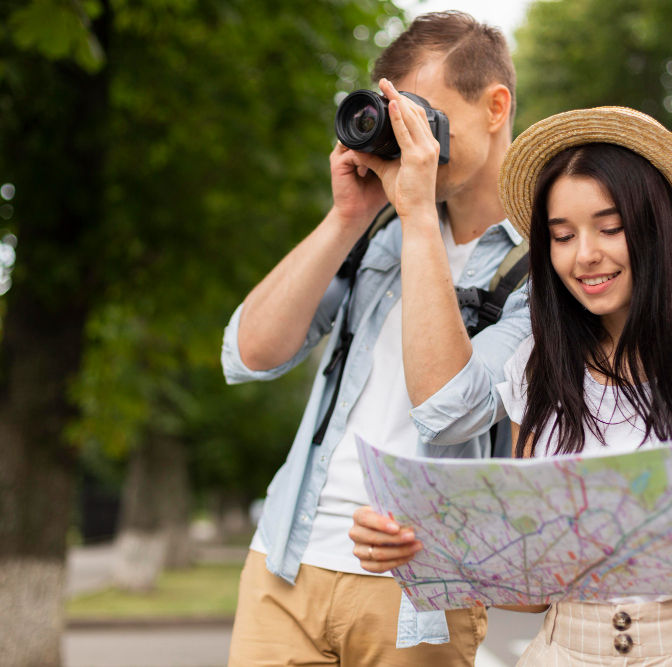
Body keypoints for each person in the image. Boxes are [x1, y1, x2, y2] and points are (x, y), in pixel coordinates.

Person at [349, 107, 672, 666]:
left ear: (656, 227)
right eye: (562, 236)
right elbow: (535, 589)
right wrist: (420, 546)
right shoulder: (534, 366)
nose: (585, 254)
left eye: (610, 228)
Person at [222, 12, 529, 666]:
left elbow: (449, 407)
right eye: (397, 120)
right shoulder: (378, 232)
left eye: (424, 118)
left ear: (495, 107)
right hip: (284, 560)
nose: (408, 139)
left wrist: (415, 212)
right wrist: (348, 217)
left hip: (419, 588)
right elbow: (250, 354)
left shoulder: (543, 266)